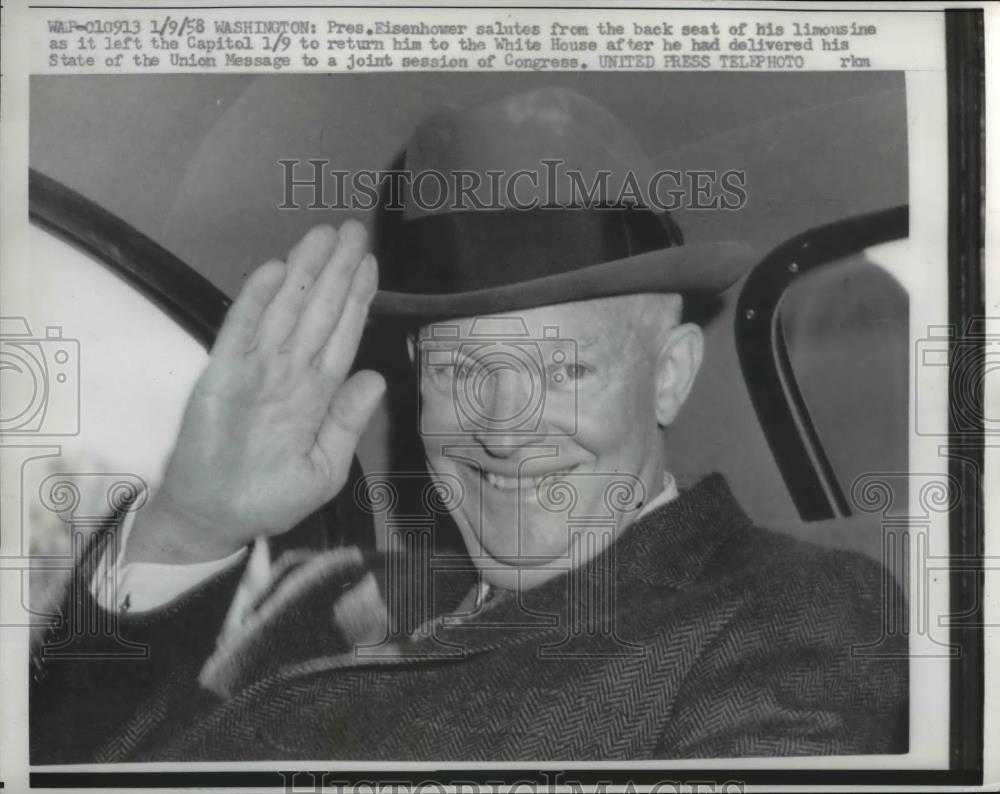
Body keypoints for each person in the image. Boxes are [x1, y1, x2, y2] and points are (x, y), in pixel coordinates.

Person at [31, 87, 908, 763]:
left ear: (669, 376)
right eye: (460, 370)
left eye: (563, 369)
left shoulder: (795, 611)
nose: (502, 430)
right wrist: (191, 524)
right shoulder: (309, 593)